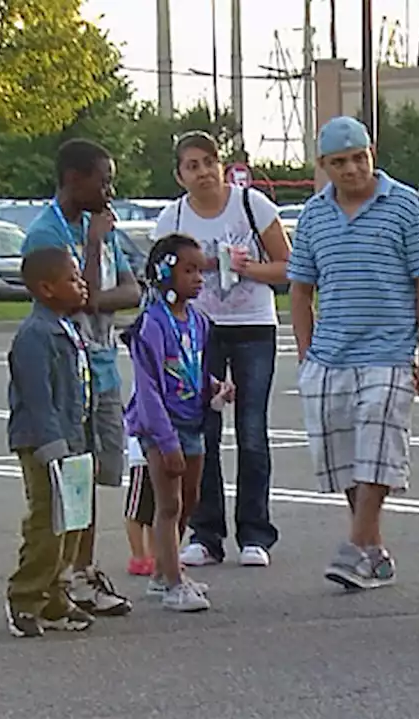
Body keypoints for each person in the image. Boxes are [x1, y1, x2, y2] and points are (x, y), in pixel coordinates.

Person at [289, 116, 419, 591]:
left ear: (372, 152)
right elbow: (300, 289)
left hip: (390, 350)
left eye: (360, 157)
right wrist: (305, 354)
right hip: (330, 355)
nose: (353, 169)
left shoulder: (406, 205)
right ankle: (374, 552)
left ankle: (355, 546)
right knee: (347, 460)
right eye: (340, 162)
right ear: (323, 166)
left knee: (379, 446)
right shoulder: (314, 215)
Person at [155, 132, 289, 569]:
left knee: (252, 430)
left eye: (208, 163)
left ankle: (255, 534)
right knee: (200, 431)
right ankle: (206, 533)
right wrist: (192, 271)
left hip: (252, 326)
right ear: (179, 174)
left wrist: (247, 267)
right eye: (191, 166)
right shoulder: (172, 216)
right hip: (197, 330)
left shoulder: (252, 206)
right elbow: (161, 273)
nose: (202, 173)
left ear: (221, 165)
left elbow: (289, 266)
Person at [21, 138, 138, 616]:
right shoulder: (48, 234)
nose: (109, 189)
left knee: (91, 476)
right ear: (73, 179)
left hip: (103, 366)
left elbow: (130, 289)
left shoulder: (104, 229)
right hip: (67, 368)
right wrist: (91, 248)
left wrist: (100, 287)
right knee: (69, 479)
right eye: (102, 179)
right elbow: (82, 297)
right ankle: (56, 580)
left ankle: (83, 573)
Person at [124, 233, 234, 611]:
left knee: (190, 499)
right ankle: (172, 581)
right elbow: (149, 387)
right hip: (161, 426)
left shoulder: (199, 322)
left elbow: (195, 370)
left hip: (193, 422)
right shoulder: (151, 325)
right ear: (164, 272)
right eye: (189, 271)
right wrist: (165, 441)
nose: (198, 279)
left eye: (201, 271)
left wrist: (215, 387)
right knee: (168, 504)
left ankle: (163, 572)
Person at [4, 246, 99, 638]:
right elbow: (37, 396)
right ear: (46, 288)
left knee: (73, 522)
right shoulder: (35, 335)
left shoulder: (66, 327)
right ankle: (25, 597)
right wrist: (52, 445)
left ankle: (56, 596)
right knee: (47, 521)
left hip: (73, 440)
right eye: (73, 280)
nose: (82, 286)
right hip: (46, 444)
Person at [122, 435, 156, 576]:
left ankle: (154, 556)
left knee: (155, 510)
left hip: (157, 452)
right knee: (135, 511)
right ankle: (138, 556)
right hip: (141, 456)